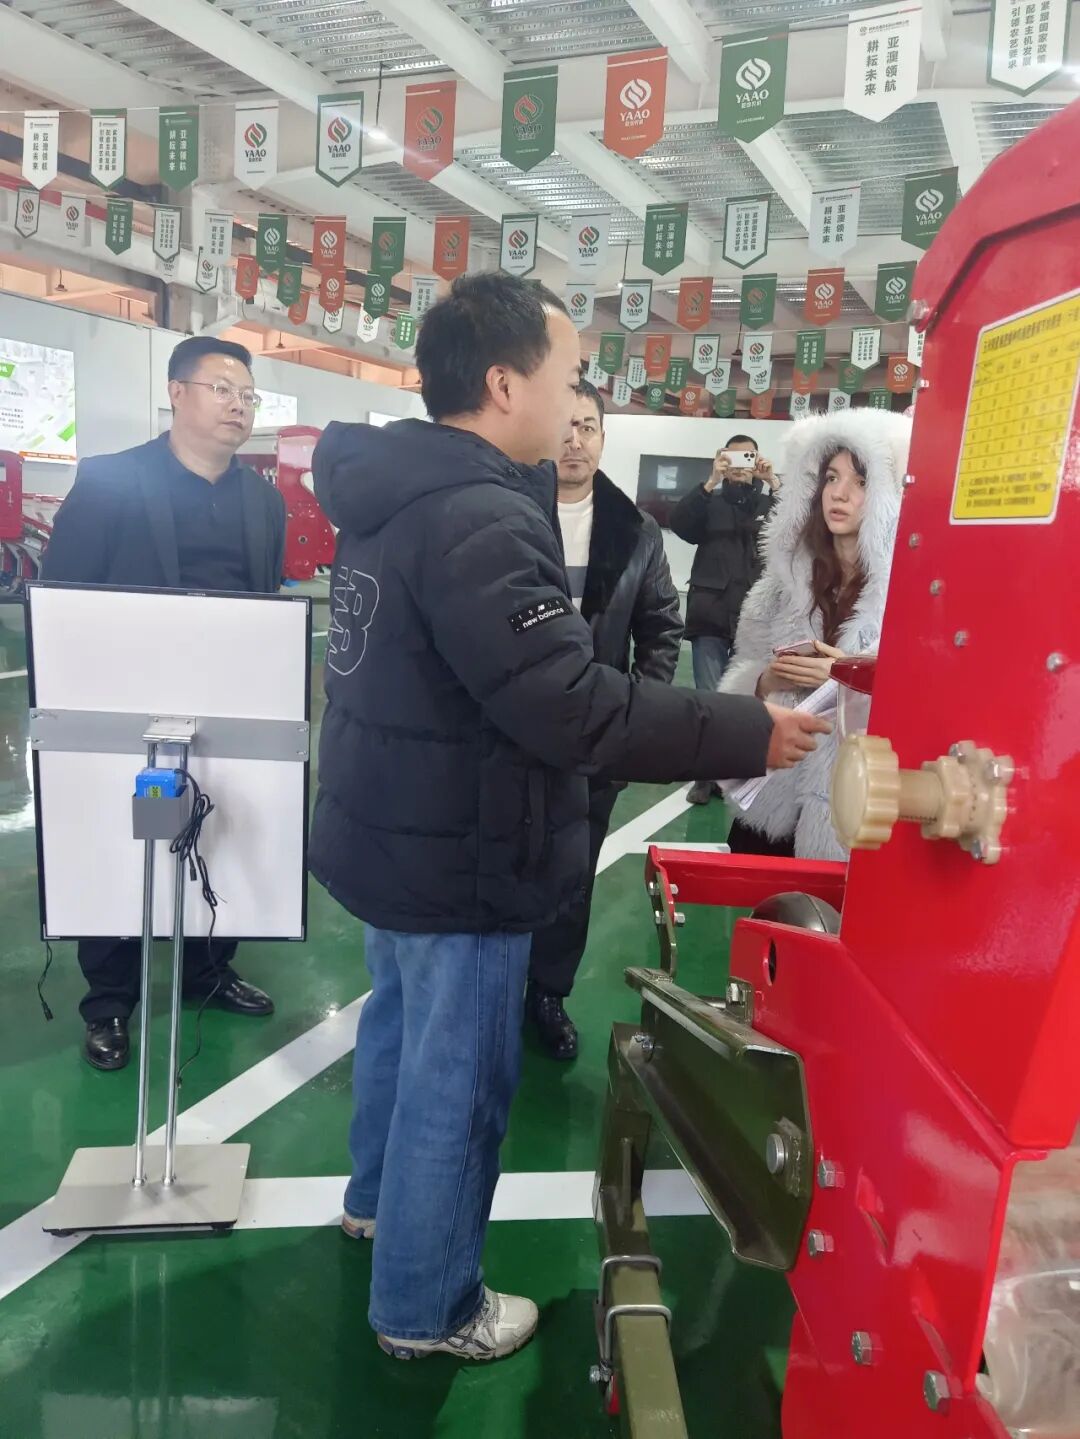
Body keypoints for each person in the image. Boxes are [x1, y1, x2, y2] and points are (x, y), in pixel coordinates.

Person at [308, 272, 828, 1366]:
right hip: (465, 851)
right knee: (458, 1082)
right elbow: (570, 702)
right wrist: (747, 728)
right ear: (505, 384)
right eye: (570, 372)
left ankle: (375, 1207)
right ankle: (428, 1305)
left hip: (394, 832)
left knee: (398, 1033)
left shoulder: (391, 489)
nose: (580, 396)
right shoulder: (480, 513)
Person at [41, 336, 285, 1071]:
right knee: (125, 837)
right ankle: (109, 1001)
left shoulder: (262, 501)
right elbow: (62, 595)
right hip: (125, 703)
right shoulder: (112, 482)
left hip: (225, 702)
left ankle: (208, 970)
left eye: (248, 395)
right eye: (223, 389)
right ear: (177, 393)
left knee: (218, 831)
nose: (239, 405)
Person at [526, 378, 681, 1061]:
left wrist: (633, 712)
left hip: (592, 736)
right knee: (504, 862)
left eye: (587, 426)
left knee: (572, 872)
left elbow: (662, 628)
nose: (574, 440)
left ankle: (547, 993)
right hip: (510, 731)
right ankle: (496, 986)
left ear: (602, 439)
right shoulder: (508, 510)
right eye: (565, 425)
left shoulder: (635, 531)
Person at [719, 409, 911, 860]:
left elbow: (920, 704)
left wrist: (849, 676)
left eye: (861, 481)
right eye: (831, 477)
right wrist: (764, 681)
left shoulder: (908, 599)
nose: (839, 494)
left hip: (851, 813)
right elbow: (743, 678)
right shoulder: (780, 587)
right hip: (770, 805)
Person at [670, 435, 779, 804]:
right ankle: (705, 777)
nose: (741, 465)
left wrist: (774, 483)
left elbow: (798, 530)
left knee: (748, 700)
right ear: (722, 460)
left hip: (755, 618)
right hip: (710, 616)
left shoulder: (769, 503)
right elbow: (679, 524)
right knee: (709, 699)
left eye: (748, 456)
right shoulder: (709, 502)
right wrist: (710, 482)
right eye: (734, 457)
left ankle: (735, 772)